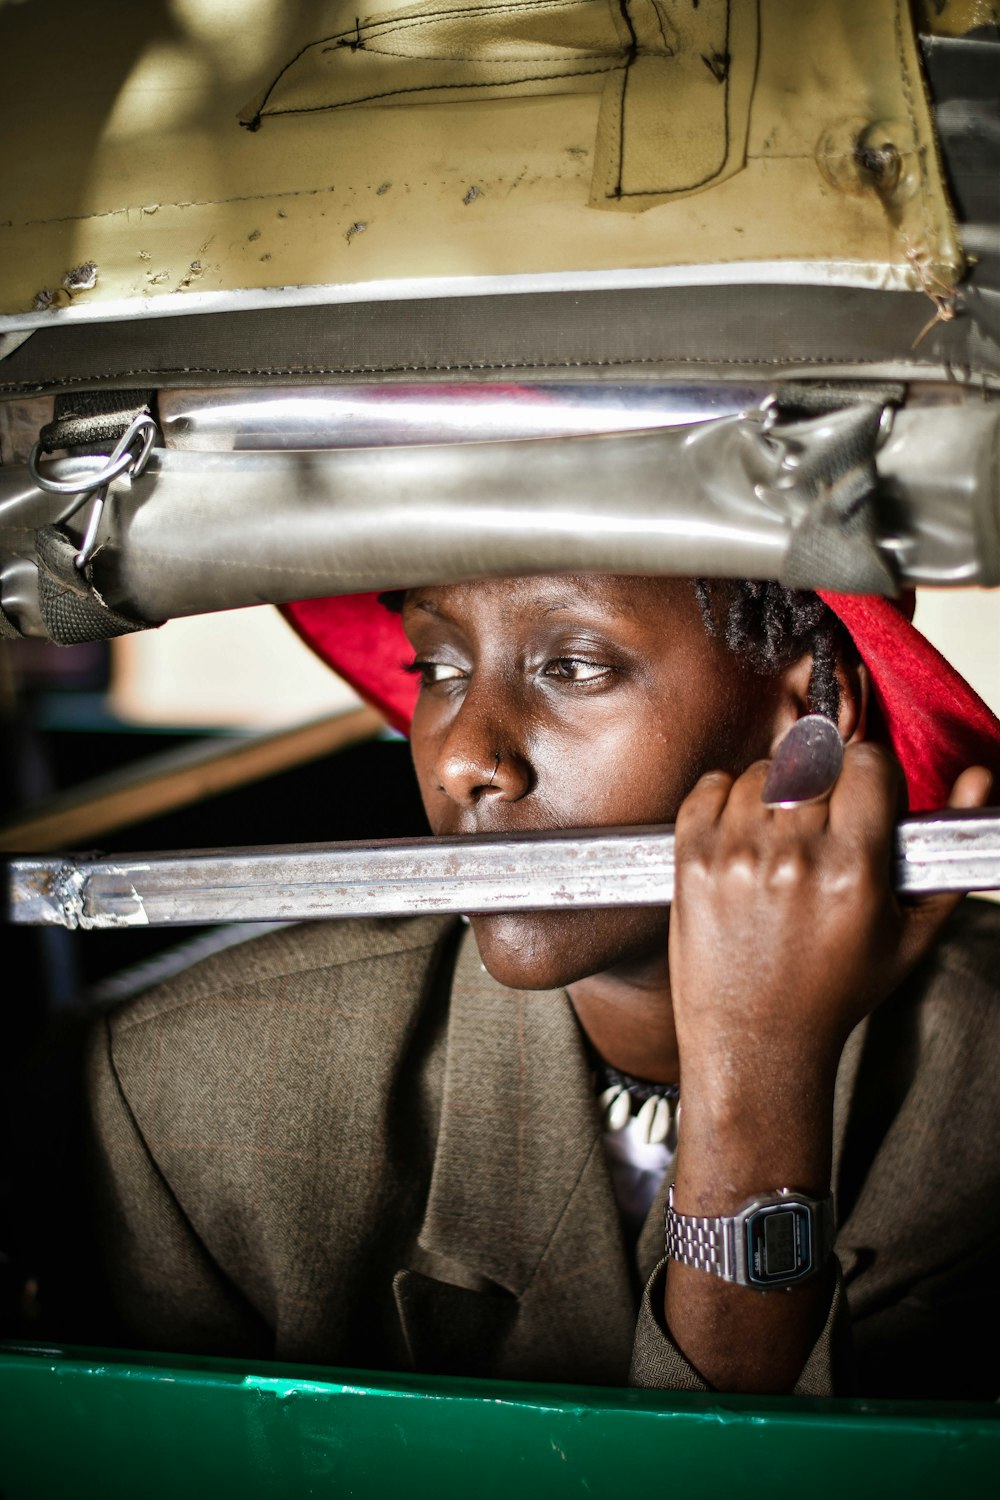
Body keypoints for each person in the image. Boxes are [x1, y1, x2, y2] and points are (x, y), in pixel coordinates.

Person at [86, 574, 1000, 1399]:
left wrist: (759, 1082)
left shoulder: (981, 1084)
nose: (462, 758)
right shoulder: (188, 1099)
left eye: (572, 665)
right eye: (438, 667)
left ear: (804, 711)